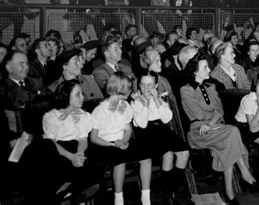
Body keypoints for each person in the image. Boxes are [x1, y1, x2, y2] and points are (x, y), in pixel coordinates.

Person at [180, 55, 259, 205]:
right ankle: (244, 173)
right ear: (195, 71)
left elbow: (220, 111)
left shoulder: (211, 87)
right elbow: (198, 114)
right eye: (205, 67)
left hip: (215, 128)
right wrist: (212, 118)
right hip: (198, 132)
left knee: (228, 139)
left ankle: (229, 193)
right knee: (232, 132)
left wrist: (210, 121)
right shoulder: (186, 90)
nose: (209, 69)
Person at [90, 72, 152, 205]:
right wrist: (113, 144)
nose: (131, 90)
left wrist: (124, 140)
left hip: (122, 141)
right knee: (120, 161)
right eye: (129, 88)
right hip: (105, 145)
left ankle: (146, 198)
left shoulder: (125, 105)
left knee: (146, 158)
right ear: (121, 89)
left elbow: (128, 129)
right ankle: (119, 199)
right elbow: (94, 138)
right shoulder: (100, 110)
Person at [32, 81, 99, 203]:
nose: (82, 97)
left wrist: (79, 154)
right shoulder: (52, 116)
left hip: (77, 148)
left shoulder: (84, 116)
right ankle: (73, 191)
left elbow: (83, 139)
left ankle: (74, 191)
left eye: (82, 94)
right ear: (66, 96)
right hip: (60, 151)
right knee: (54, 158)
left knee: (91, 155)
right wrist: (72, 157)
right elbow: (51, 144)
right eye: (78, 94)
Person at [131, 74, 190, 203]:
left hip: (161, 130)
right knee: (168, 155)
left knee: (184, 152)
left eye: (150, 85)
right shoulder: (136, 101)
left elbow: (167, 118)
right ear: (139, 85)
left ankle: (173, 189)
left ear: (156, 86)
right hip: (145, 134)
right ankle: (168, 195)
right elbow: (142, 124)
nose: (146, 88)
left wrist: (156, 99)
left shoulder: (159, 99)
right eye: (143, 84)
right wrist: (145, 104)